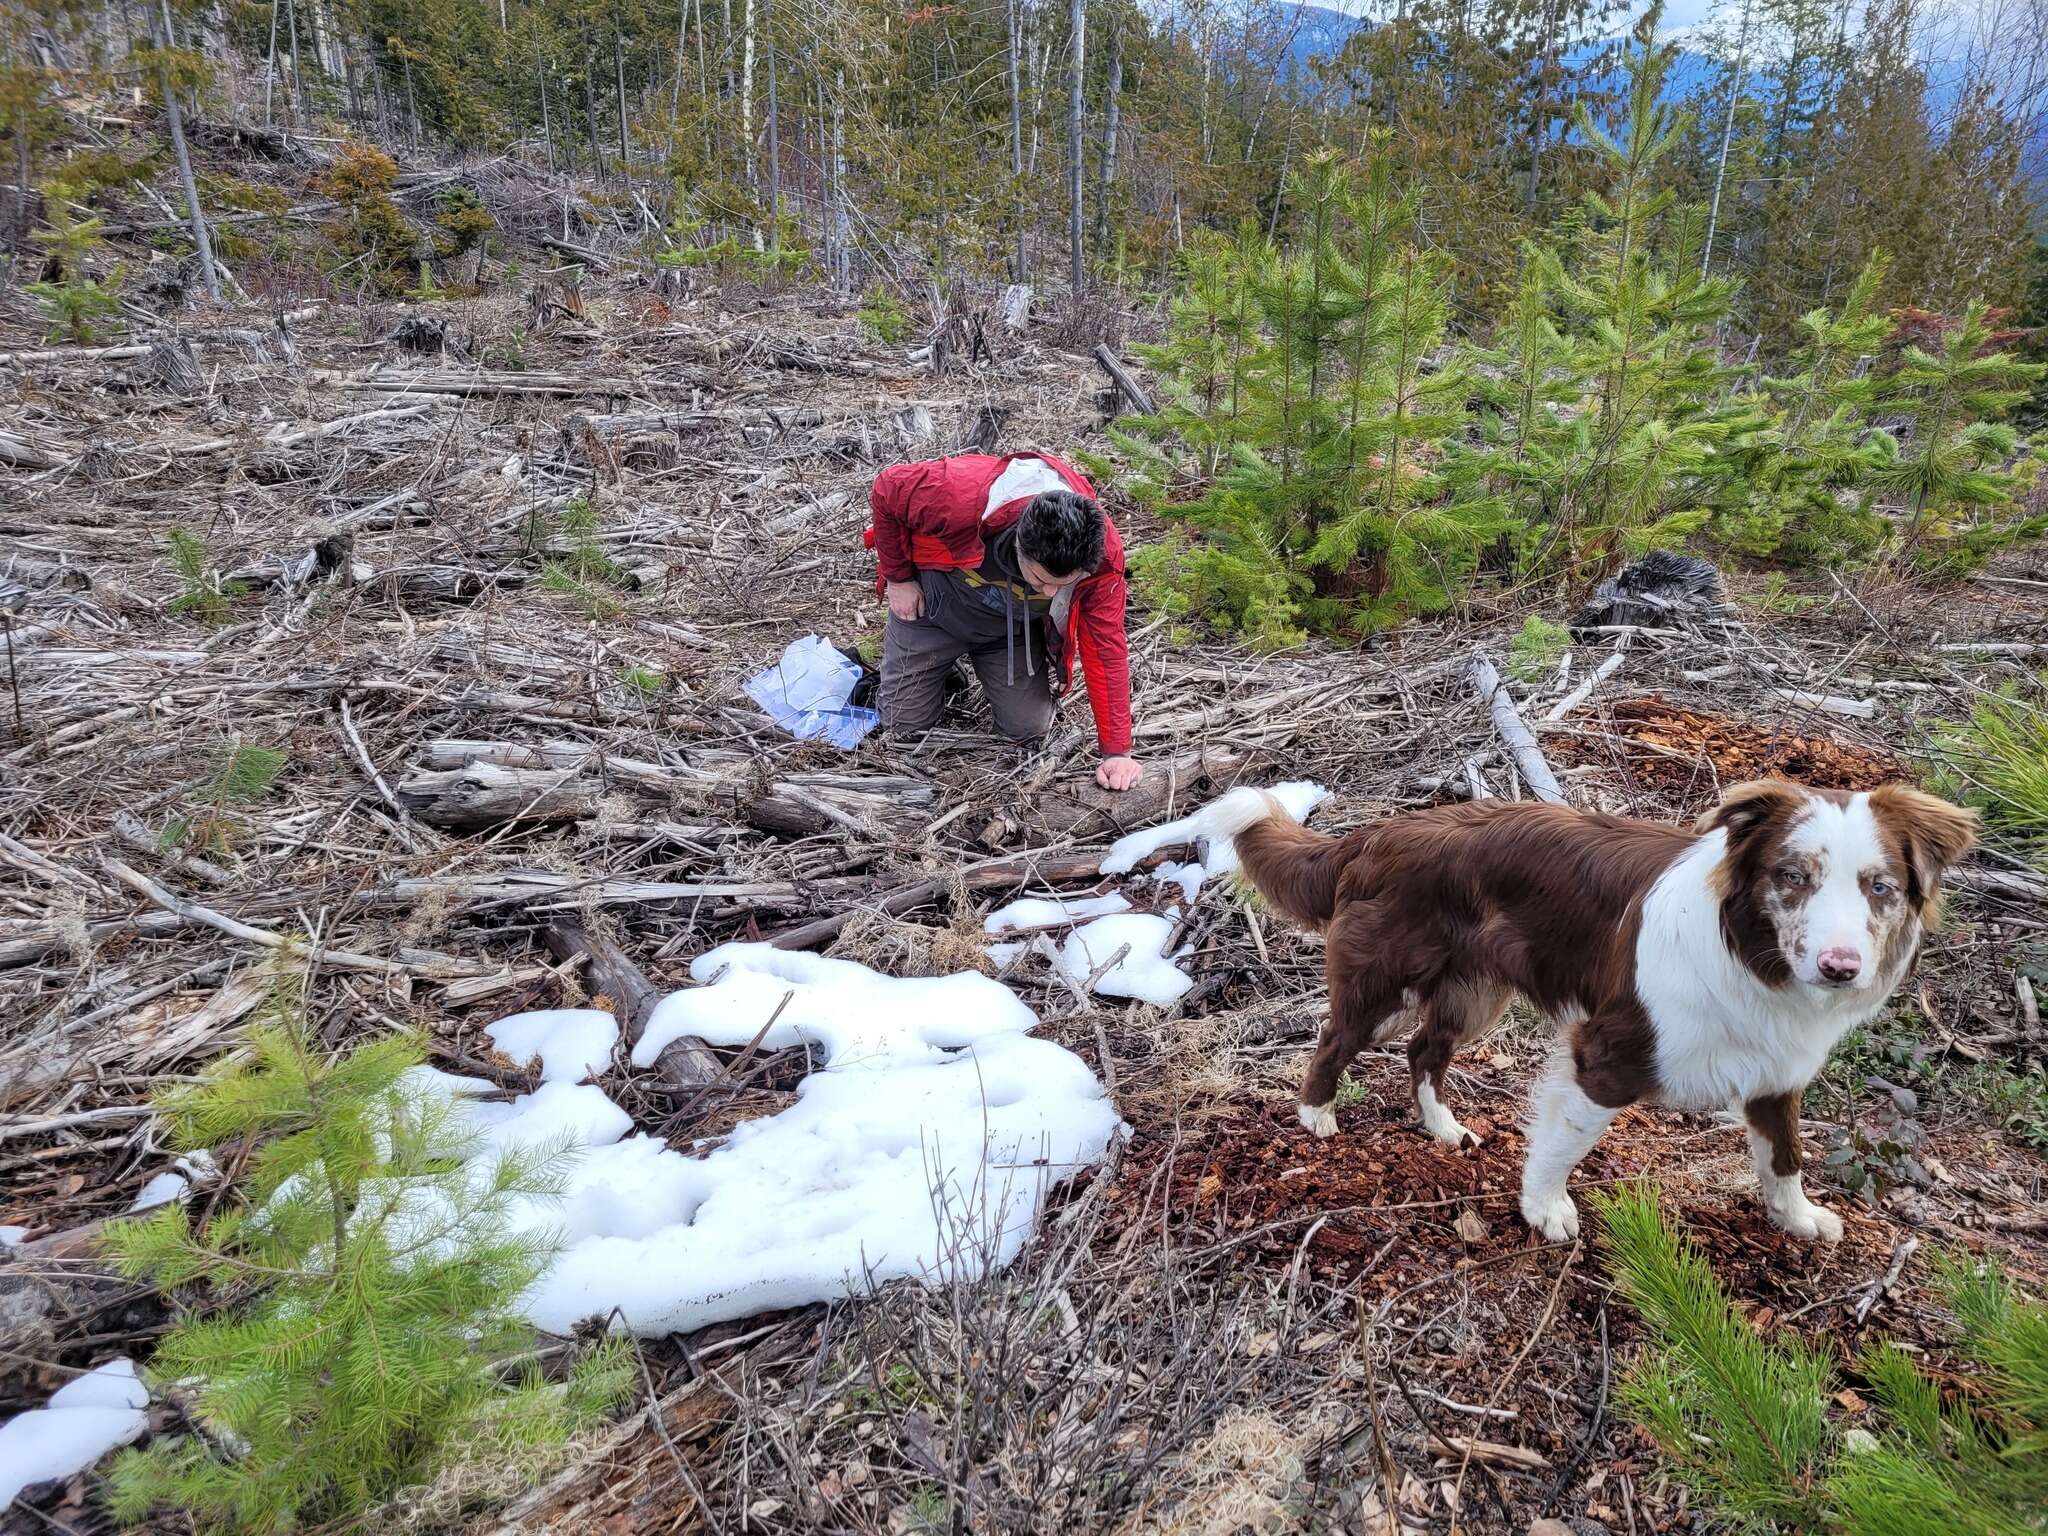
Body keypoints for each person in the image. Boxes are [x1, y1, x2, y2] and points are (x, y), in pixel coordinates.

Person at [862, 451, 1143, 791]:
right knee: (903, 731)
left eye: (1063, 584)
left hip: (1009, 634)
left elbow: (1106, 648)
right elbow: (887, 487)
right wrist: (898, 578)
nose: (1052, 593)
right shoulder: (959, 495)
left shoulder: (1101, 557)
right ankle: (942, 672)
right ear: (1020, 545)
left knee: (1027, 732)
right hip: (932, 613)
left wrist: (1117, 750)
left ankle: (962, 669)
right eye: (1040, 580)